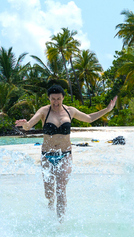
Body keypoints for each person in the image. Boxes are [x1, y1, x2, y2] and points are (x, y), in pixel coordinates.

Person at [15, 85, 118, 219]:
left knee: (61, 189)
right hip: (47, 156)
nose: (56, 102)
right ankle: (50, 206)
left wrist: (107, 109)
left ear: (63, 98)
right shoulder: (44, 111)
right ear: (49, 98)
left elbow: (89, 118)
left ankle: (60, 223)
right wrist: (25, 124)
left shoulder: (70, 111)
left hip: (65, 155)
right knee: (49, 193)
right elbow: (29, 126)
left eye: (58, 98)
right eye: (53, 99)